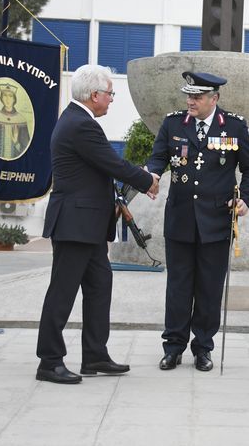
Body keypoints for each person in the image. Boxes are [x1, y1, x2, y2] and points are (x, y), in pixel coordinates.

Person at [36, 64, 157, 384]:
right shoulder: (80, 125)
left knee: (99, 287)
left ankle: (94, 355)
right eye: (110, 94)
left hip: (87, 225)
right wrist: (147, 179)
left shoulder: (78, 121)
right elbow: (112, 163)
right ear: (94, 95)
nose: (112, 100)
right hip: (75, 224)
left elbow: (99, 169)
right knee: (62, 293)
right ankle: (49, 361)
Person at [146, 71, 249, 372]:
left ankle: (203, 348)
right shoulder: (173, 123)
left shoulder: (234, 126)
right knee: (178, 287)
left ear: (214, 99)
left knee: (210, 289)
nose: (190, 101)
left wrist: (244, 199)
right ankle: (173, 347)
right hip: (180, 219)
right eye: (188, 96)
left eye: (197, 97)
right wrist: (153, 174)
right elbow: (158, 157)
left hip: (216, 221)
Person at [0, 82, 31, 159]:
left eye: (10, 96)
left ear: (14, 99)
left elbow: (26, 151)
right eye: (5, 95)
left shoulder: (21, 119)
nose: (7, 99)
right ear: (1, 98)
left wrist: (16, 142)